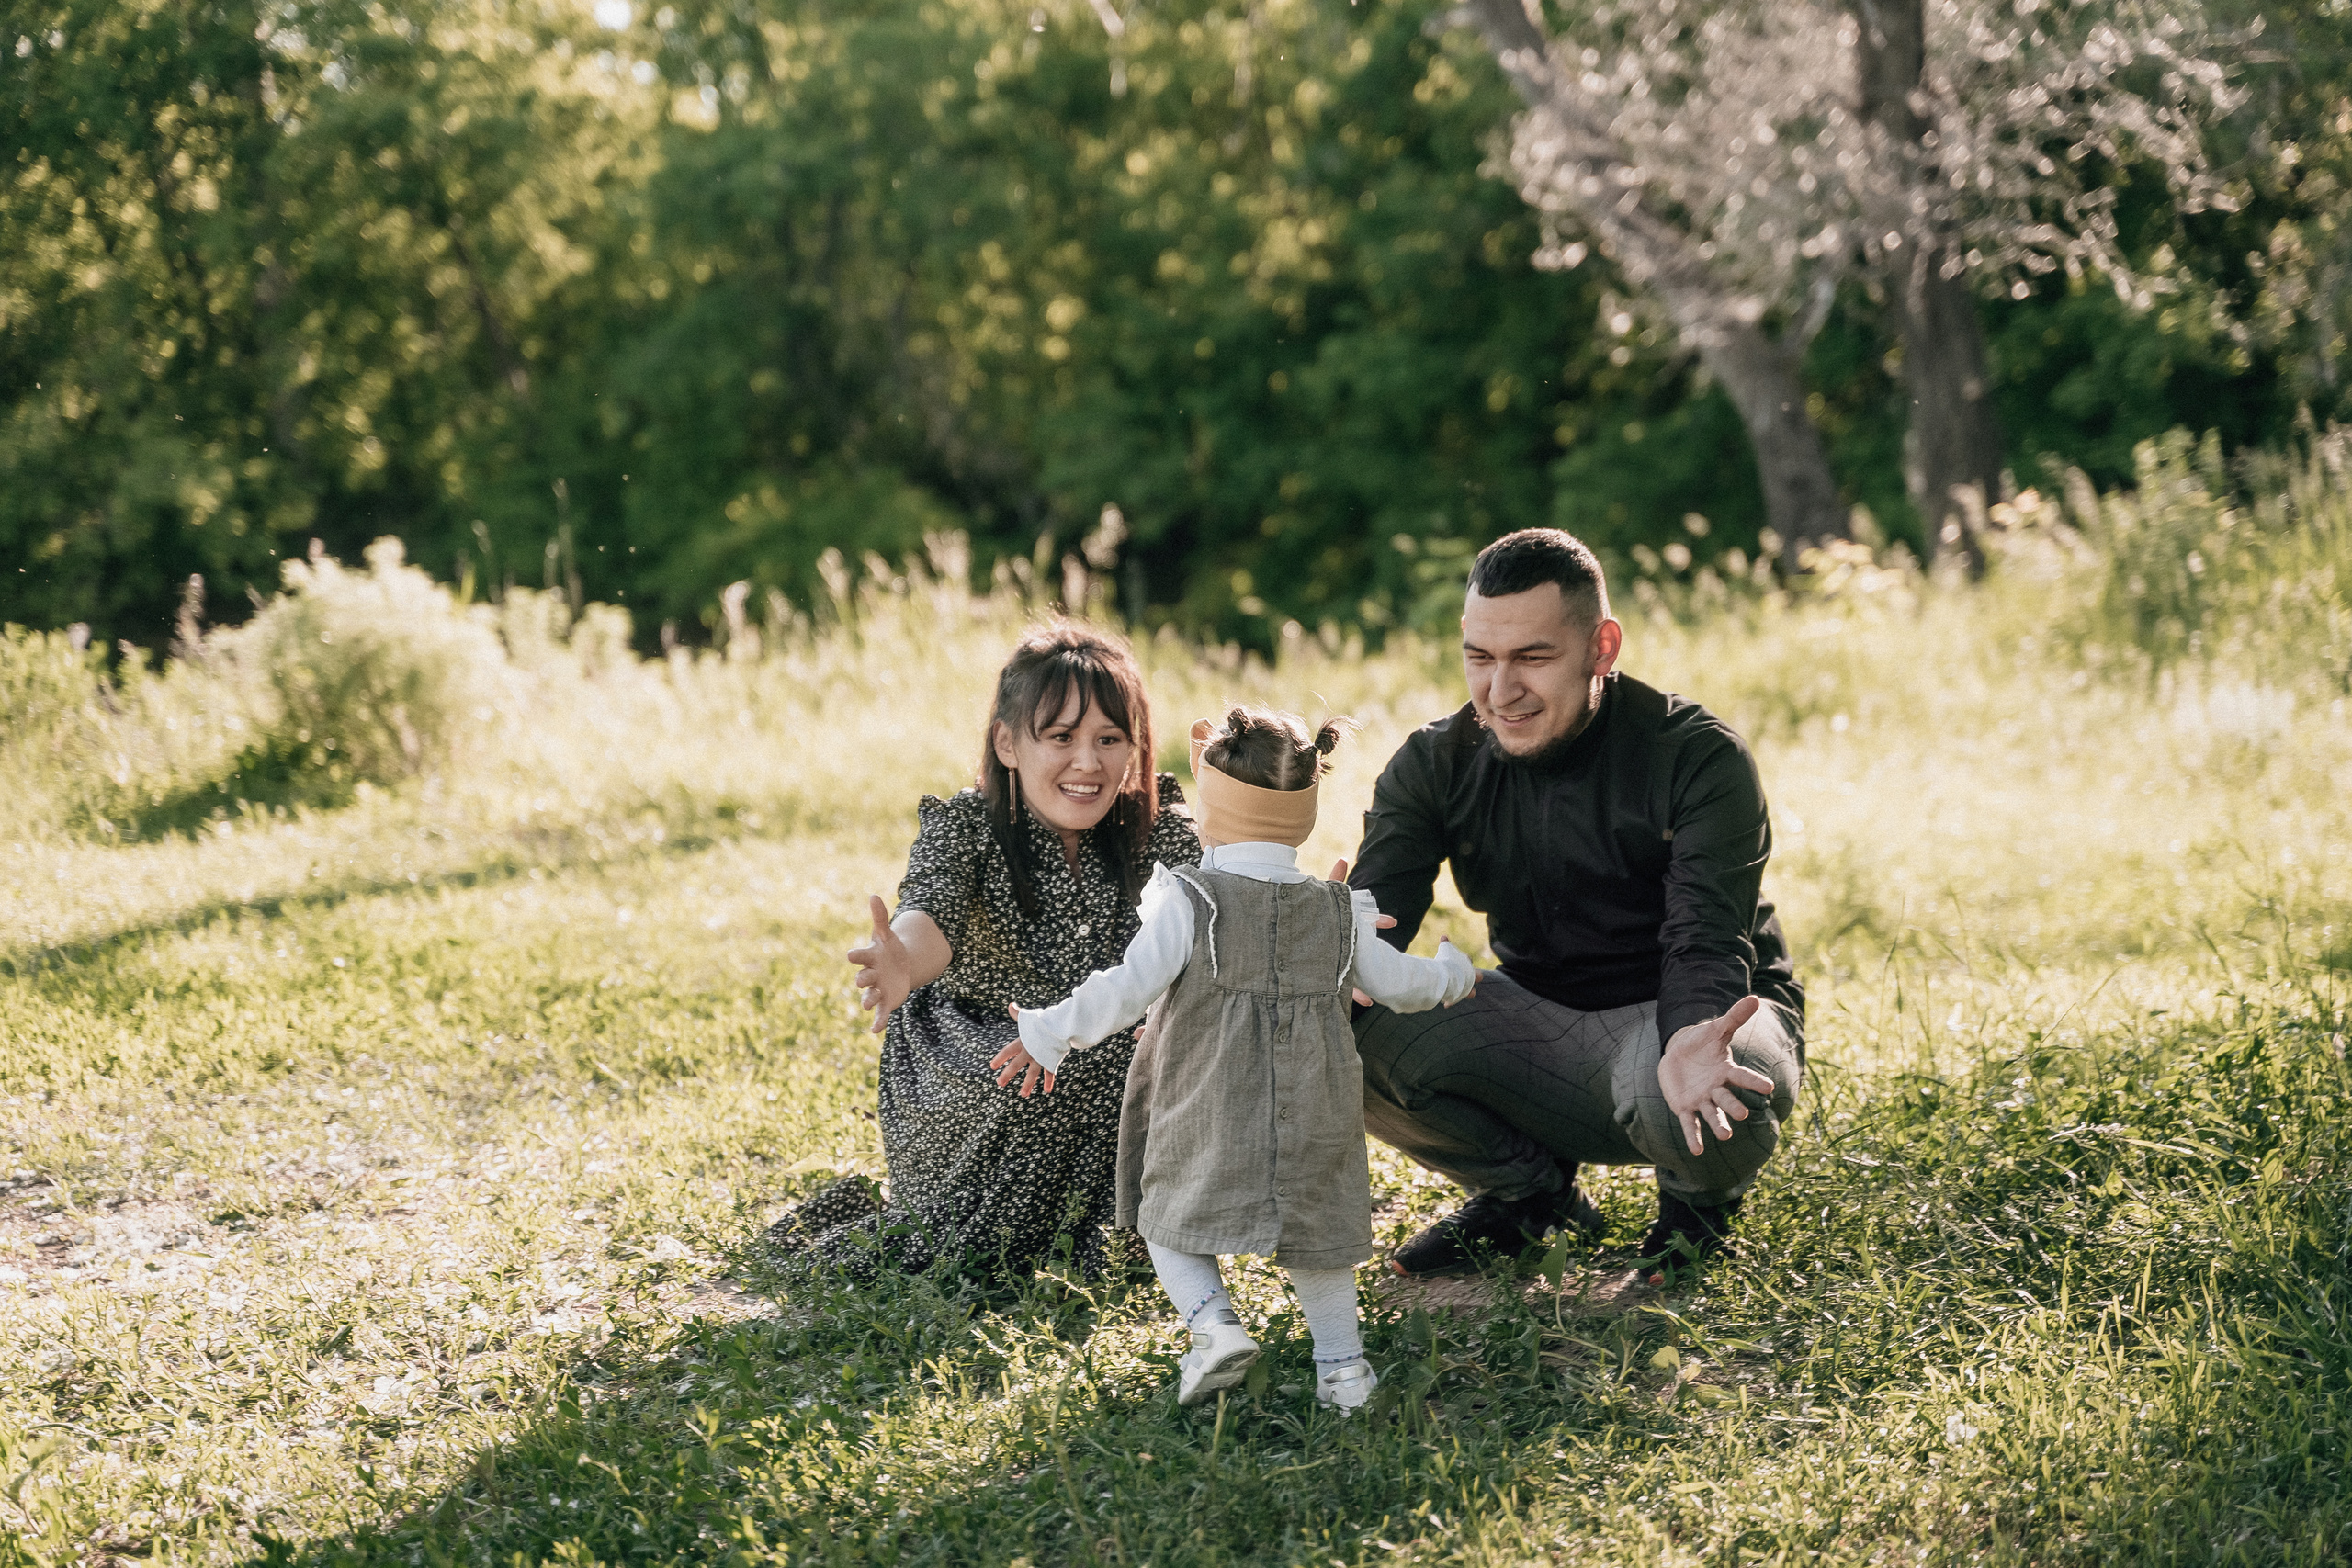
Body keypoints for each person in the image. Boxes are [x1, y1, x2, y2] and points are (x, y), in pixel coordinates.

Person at [1347, 528, 1805, 1279]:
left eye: (1533, 656)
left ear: (1602, 647)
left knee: (1694, 1072)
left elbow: (1705, 943)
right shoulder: (1433, 763)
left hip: (1687, 1017)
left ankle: (1697, 1206)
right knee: (1335, 1023)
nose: (1501, 689)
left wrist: (1690, 1033)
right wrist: (1308, 957)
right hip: (1540, 1023)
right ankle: (1529, 1199)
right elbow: (1374, 928)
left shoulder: (1696, 755)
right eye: (1481, 658)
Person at [1001, 708, 1476, 1410]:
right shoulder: (1340, 909)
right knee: (1318, 1241)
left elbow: (1126, 989)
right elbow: (1401, 985)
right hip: (1315, 1110)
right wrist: (1452, 974)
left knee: (1166, 1215)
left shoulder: (1192, 900)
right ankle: (1344, 1371)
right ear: (1304, 815)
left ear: (1213, 808)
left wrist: (1048, 1030)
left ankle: (1214, 1326)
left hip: (1209, 1105)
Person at [767, 620, 1203, 1279]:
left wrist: (1309, 938)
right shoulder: (968, 828)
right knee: (1042, 1067)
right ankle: (1016, 1238)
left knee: (1148, 1053)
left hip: (1110, 1033)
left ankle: (1119, 1234)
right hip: (974, 1047)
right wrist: (901, 962)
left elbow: (1220, 908)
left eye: (1109, 739)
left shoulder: (1155, 827)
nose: (1088, 762)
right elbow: (928, 916)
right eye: (1061, 737)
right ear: (1008, 742)